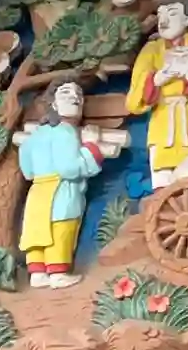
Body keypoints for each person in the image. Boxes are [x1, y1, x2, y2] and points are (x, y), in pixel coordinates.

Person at [16, 78, 122, 287]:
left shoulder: (36, 134)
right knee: (61, 229)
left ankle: (37, 274)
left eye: (79, 94)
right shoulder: (66, 131)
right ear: (53, 104)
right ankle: (58, 273)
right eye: (66, 93)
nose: (75, 98)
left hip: (38, 191)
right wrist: (91, 147)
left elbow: (27, 171)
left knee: (36, 231)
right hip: (61, 190)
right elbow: (70, 168)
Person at [126, 0, 188, 189]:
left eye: (172, 13)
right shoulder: (151, 49)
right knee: (163, 182)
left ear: (187, 19)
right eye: (160, 15)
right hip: (162, 125)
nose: (164, 21)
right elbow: (134, 99)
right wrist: (159, 78)